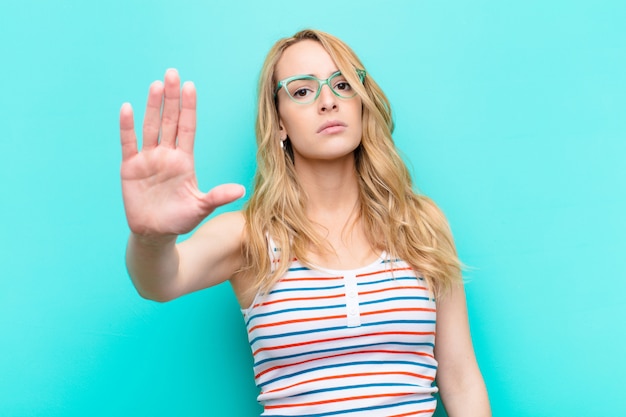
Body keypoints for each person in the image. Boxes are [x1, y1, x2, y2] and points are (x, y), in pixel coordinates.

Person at [119, 29, 491, 416]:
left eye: (343, 84)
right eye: (302, 91)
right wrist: (152, 238)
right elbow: (159, 282)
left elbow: (460, 378)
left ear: (362, 103)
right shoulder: (249, 235)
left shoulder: (420, 224)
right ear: (279, 122)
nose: (328, 101)